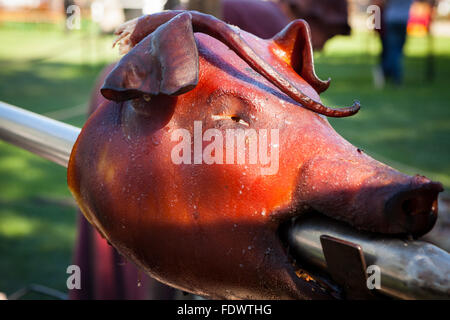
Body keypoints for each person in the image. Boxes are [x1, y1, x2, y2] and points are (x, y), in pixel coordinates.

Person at [376, 0, 414, 85]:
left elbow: (382, 3)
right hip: (403, 20)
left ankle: (386, 70)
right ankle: (394, 75)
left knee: (394, 50)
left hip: (392, 19)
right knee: (396, 50)